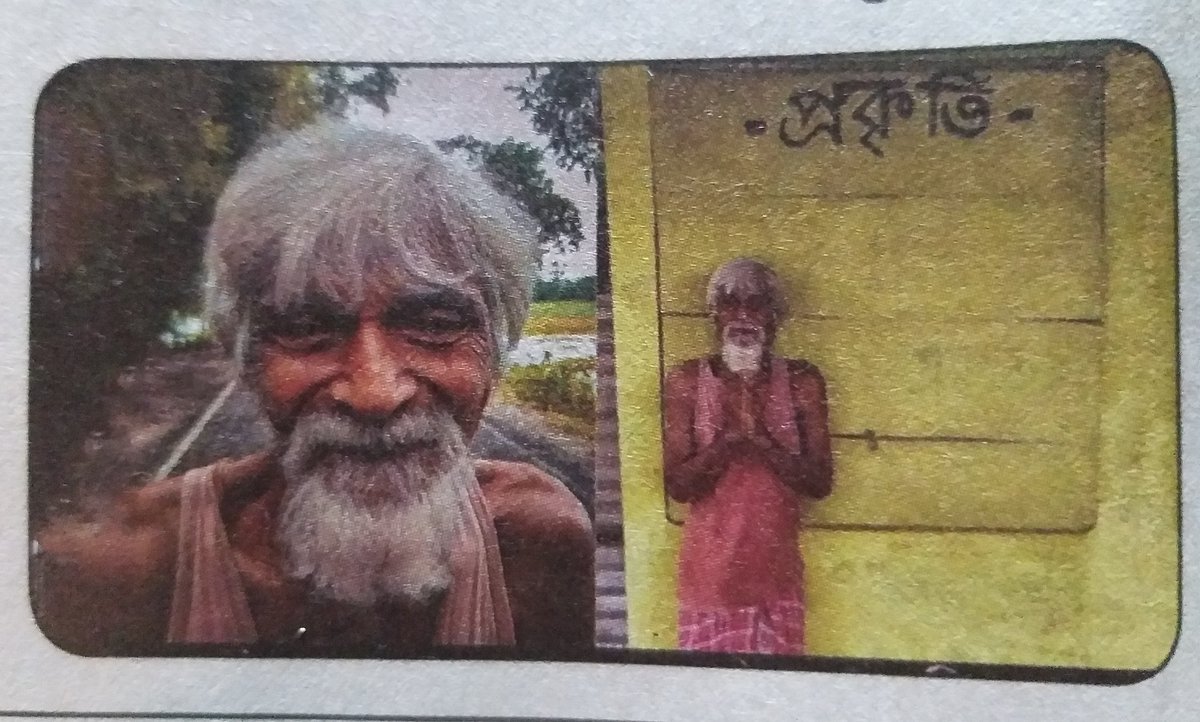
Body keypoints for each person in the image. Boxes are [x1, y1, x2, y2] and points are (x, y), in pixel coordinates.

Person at [32, 124, 594, 656]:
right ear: (247, 359)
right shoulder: (131, 563)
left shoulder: (539, 539)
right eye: (304, 328)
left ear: (496, 348)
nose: (375, 393)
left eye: (435, 324)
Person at [662, 258, 833, 655]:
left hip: (777, 579)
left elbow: (821, 483)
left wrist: (762, 441)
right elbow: (678, 487)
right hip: (710, 580)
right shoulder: (687, 381)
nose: (742, 315)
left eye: (756, 305)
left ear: (776, 318)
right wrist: (729, 441)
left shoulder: (802, 381)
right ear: (714, 315)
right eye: (729, 304)